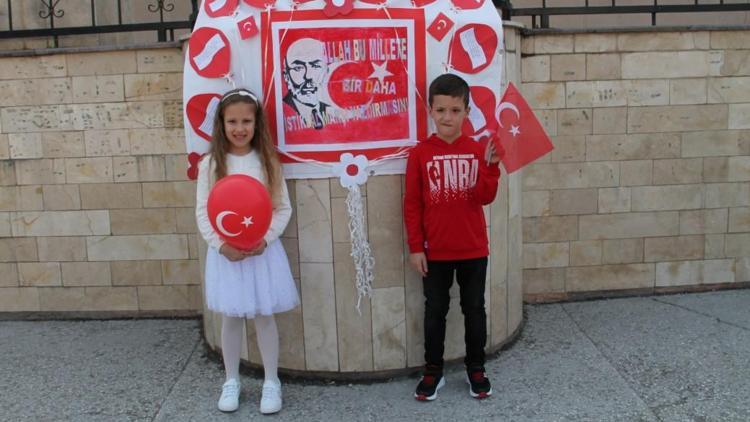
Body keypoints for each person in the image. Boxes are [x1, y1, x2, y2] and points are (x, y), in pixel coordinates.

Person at [195, 88, 299, 415]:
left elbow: (282, 209)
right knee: (232, 317)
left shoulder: (268, 162)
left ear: (257, 124)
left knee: (264, 316)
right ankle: (231, 380)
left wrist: (265, 240)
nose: (240, 128)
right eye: (232, 121)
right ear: (221, 124)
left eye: (247, 121)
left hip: (261, 253)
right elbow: (202, 211)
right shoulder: (211, 164)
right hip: (227, 255)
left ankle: (271, 381)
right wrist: (221, 245)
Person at [403, 74, 503, 401]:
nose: (448, 117)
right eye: (441, 109)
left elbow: (485, 197)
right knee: (435, 311)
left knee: (475, 309)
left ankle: (476, 368)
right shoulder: (419, 154)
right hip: (435, 252)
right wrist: (416, 247)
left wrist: (490, 167)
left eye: (456, 110)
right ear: (430, 110)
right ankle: (433, 370)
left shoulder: (477, 150)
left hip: (473, 249)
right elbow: (412, 204)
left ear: (467, 111)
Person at [282, 37, 331, 130]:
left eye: (316, 66)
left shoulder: (334, 111)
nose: (308, 76)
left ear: (326, 72)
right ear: (286, 76)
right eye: (298, 68)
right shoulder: (279, 112)